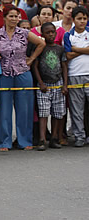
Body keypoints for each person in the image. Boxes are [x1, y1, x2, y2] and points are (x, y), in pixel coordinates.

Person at [0, 4, 46, 151]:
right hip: (4, 73)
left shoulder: (24, 33)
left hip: (23, 72)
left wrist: (31, 59)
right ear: (4, 18)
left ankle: (24, 140)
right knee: (4, 109)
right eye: (11, 16)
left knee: (25, 109)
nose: (14, 19)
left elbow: (41, 43)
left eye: (16, 16)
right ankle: (4, 141)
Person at [33, 22, 68, 150]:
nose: (51, 35)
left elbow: (64, 66)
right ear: (42, 34)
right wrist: (40, 83)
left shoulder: (59, 49)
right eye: (48, 33)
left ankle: (54, 138)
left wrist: (65, 84)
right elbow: (35, 66)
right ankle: (42, 139)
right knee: (43, 112)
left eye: (53, 32)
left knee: (57, 112)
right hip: (44, 85)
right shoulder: (40, 48)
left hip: (58, 83)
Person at [63, 6, 89, 147]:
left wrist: (76, 49)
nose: (82, 22)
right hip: (75, 75)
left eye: (84, 19)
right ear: (73, 20)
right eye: (79, 19)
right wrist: (85, 50)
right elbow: (68, 55)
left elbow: (73, 52)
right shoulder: (68, 35)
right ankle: (79, 136)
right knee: (77, 109)